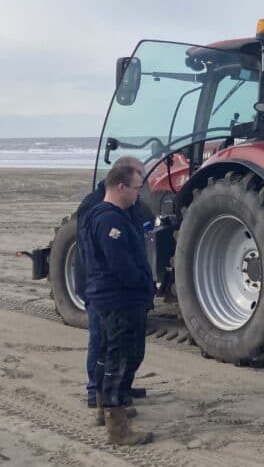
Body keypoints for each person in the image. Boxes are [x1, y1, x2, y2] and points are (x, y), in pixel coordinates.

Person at [81, 162, 155, 445]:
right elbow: (120, 264)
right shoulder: (108, 220)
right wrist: (141, 282)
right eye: (136, 188)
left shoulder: (109, 214)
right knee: (122, 356)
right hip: (118, 298)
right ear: (120, 187)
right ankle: (116, 425)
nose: (139, 194)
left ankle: (107, 407)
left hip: (112, 295)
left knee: (111, 353)